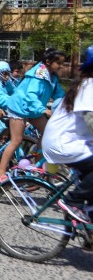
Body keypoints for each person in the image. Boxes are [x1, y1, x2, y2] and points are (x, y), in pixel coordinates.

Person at [0, 48, 66, 182]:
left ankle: (38, 166)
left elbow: (60, 95)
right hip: (20, 108)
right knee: (17, 140)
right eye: (59, 63)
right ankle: (1, 172)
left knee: (48, 132)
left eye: (62, 63)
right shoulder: (37, 75)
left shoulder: (52, 76)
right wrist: (44, 110)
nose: (61, 66)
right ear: (48, 62)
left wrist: (69, 104)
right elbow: (31, 95)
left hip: (33, 110)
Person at [41, 45, 93, 223]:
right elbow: (91, 119)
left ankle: (88, 227)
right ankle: (73, 201)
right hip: (63, 142)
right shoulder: (89, 85)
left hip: (76, 141)